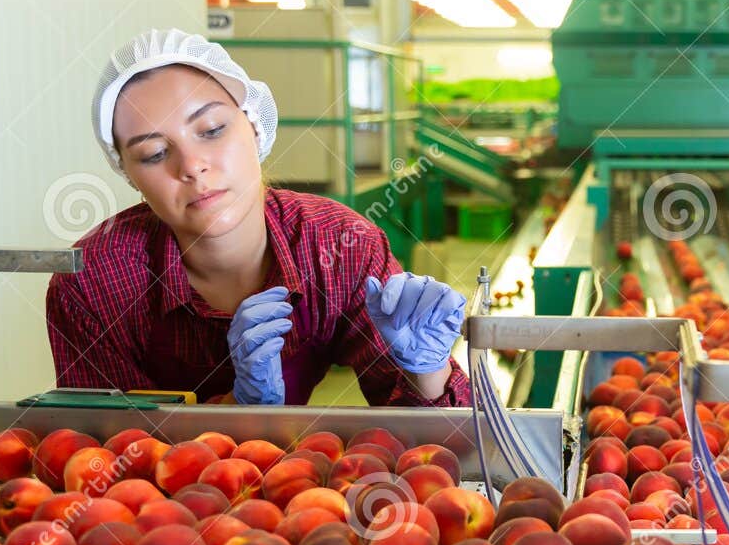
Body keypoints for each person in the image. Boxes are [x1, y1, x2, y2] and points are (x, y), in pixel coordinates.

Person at [45, 28, 471, 407]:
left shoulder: (339, 245)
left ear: (254, 125)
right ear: (130, 175)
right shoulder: (93, 279)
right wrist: (233, 409)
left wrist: (427, 371)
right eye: (154, 154)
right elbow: (101, 452)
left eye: (212, 129)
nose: (191, 166)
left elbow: (434, 444)